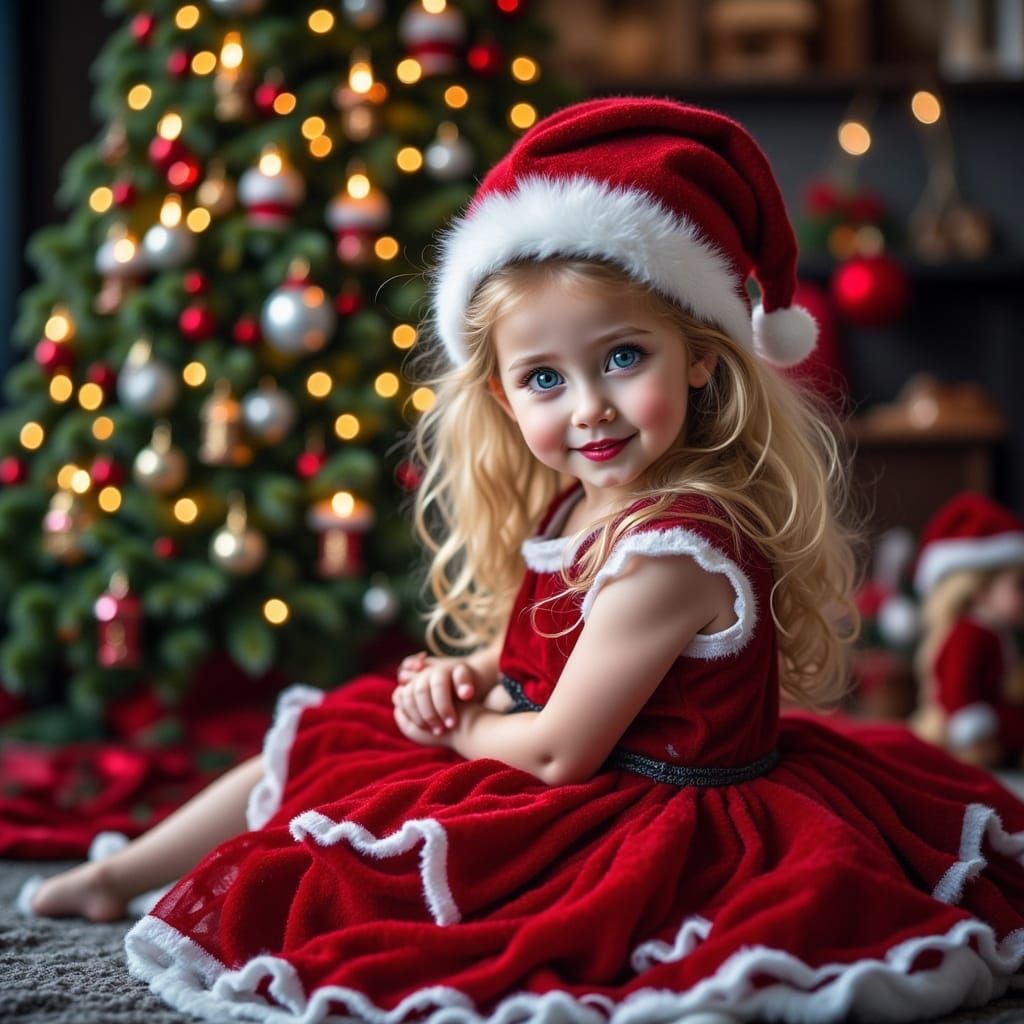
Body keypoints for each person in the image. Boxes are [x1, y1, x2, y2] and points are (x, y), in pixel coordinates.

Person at [25, 97, 1024, 1024]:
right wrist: (469, 683)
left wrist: (463, 725)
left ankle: (134, 873)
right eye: (545, 377)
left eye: (622, 358)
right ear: (505, 397)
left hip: (649, 811)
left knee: (384, 837)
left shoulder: (673, 550)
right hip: (555, 746)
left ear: (703, 357)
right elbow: (538, 679)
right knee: (346, 723)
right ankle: (123, 873)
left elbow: (556, 751)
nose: (586, 405)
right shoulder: (578, 498)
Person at [911, 492, 1024, 769]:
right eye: (1019, 586)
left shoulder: (994, 630)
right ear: (980, 590)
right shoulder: (970, 634)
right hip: (969, 735)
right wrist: (973, 733)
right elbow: (957, 686)